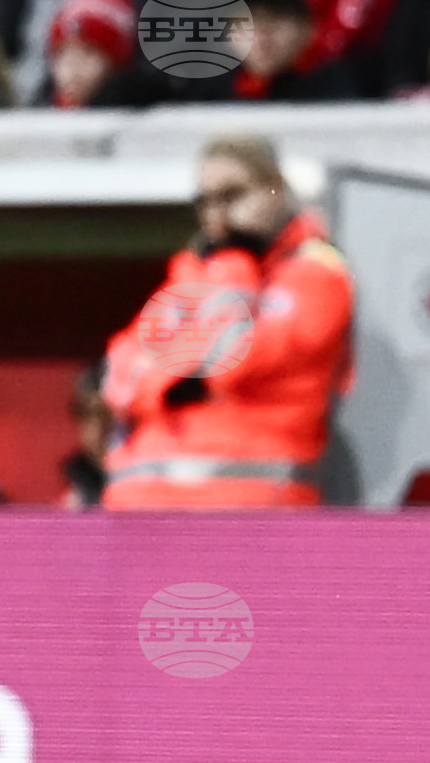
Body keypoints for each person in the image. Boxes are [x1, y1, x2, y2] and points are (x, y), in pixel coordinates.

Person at [100, 134, 355, 510]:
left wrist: (235, 262)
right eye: (205, 200)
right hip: (138, 504)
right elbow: (118, 376)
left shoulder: (316, 274)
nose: (216, 214)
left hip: (251, 507)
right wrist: (177, 382)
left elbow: (232, 359)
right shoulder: (190, 272)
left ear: (274, 189)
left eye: (232, 195)